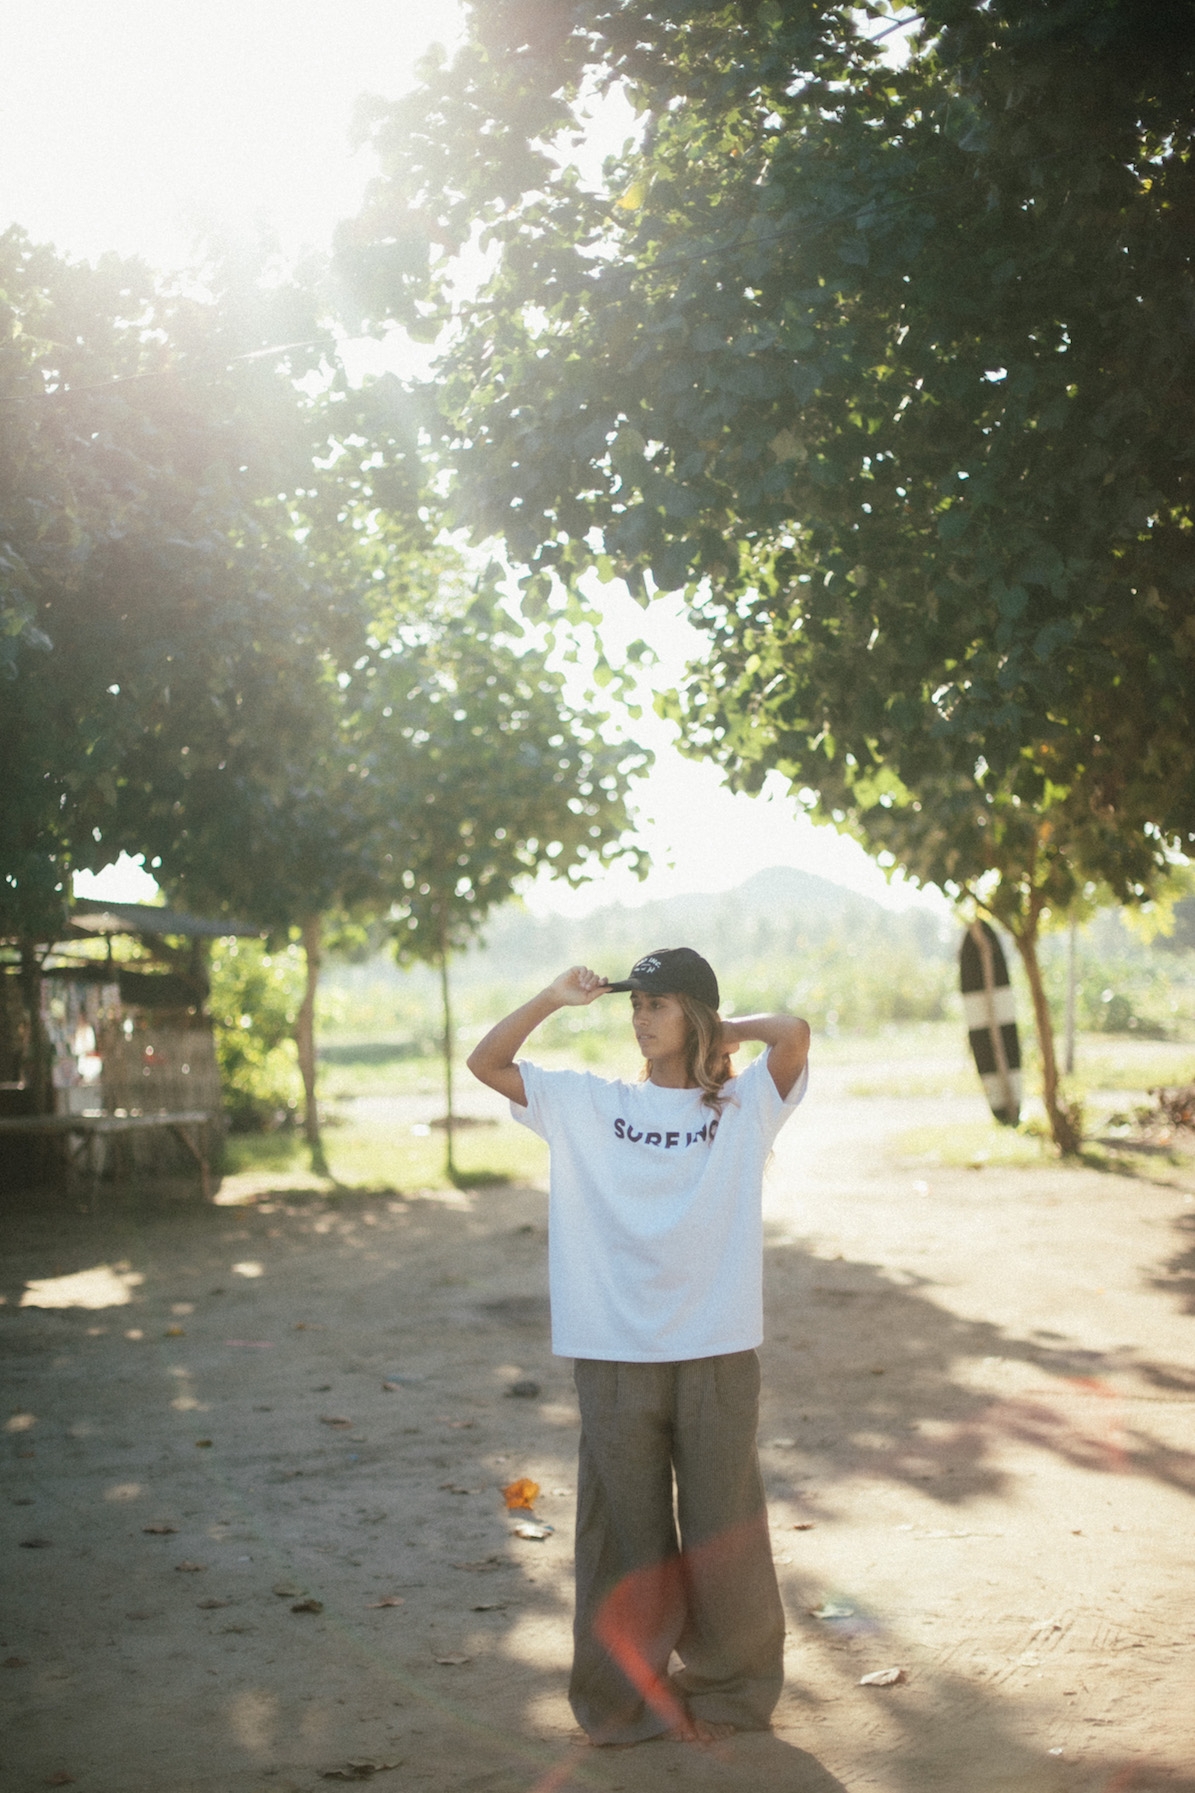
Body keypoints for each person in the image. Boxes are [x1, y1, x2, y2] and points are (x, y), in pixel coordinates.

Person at [466, 947, 810, 1747]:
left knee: (725, 1525)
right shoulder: (587, 1103)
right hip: (614, 1349)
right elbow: (488, 1061)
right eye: (634, 1004)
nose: (638, 1016)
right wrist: (551, 997)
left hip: (718, 1347)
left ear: (694, 1014)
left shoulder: (744, 1104)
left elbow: (791, 1034)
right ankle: (621, 1700)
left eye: (655, 1003)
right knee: (624, 1533)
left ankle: (732, 1688)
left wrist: (725, 1029)